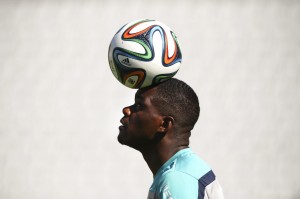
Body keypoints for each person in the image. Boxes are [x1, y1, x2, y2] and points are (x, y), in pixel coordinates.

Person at [118, 78, 224, 199]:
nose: (126, 110)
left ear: (164, 124)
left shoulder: (176, 179)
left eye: (139, 105)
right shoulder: (181, 171)